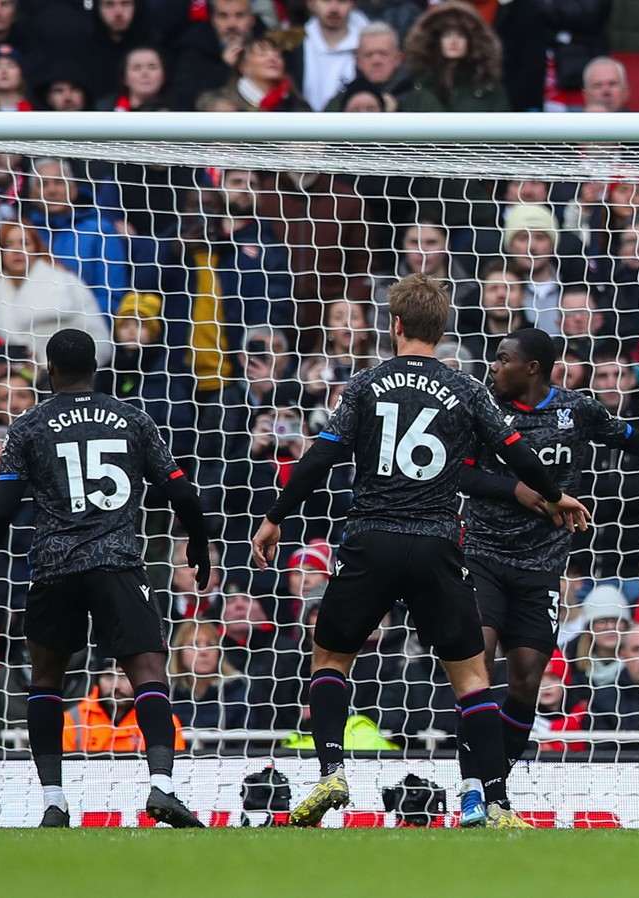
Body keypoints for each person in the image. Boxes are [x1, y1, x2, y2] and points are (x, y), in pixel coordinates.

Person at [249, 273, 589, 829]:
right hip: (437, 542)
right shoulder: (466, 389)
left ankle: (331, 772)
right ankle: (492, 802)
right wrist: (555, 498)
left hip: (371, 538)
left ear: (396, 324)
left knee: (332, 657)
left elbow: (318, 460)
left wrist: (274, 518)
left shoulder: (364, 384)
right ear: (443, 327)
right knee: (472, 676)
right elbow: (517, 454)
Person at [0, 327, 212, 829]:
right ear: (95, 369)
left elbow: (1, 509)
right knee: (148, 672)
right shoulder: (132, 419)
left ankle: (54, 802)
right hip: (117, 562)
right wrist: (199, 547)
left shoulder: (29, 425)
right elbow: (182, 493)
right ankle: (161, 785)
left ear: (49, 369)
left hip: (55, 568)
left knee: (47, 680)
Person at [454, 328, 639, 824]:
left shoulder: (576, 410)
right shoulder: (480, 408)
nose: (493, 367)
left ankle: (496, 790)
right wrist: (518, 491)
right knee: (477, 665)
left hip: (543, 565)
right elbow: (458, 474)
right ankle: (472, 789)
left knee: (524, 682)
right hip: (482, 554)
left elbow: (636, 440)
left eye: (503, 360)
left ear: (533, 369)